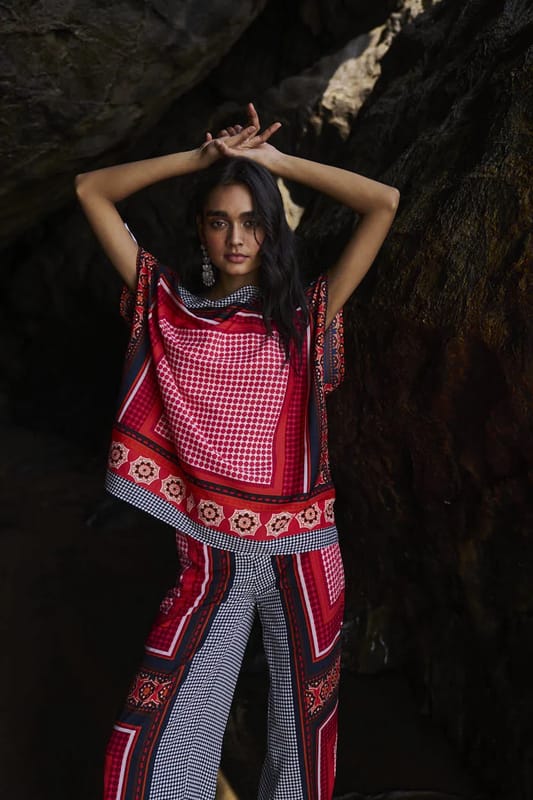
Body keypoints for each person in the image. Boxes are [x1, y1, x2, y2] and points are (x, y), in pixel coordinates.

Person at [76, 102, 399, 800]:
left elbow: (383, 203)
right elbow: (89, 190)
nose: (236, 237)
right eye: (219, 221)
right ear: (200, 229)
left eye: (252, 222)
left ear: (271, 230)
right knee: (157, 740)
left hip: (305, 555)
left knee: (302, 742)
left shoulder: (306, 317)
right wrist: (201, 160)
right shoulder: (167, 309)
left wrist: (274, 164)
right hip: (212, 560)